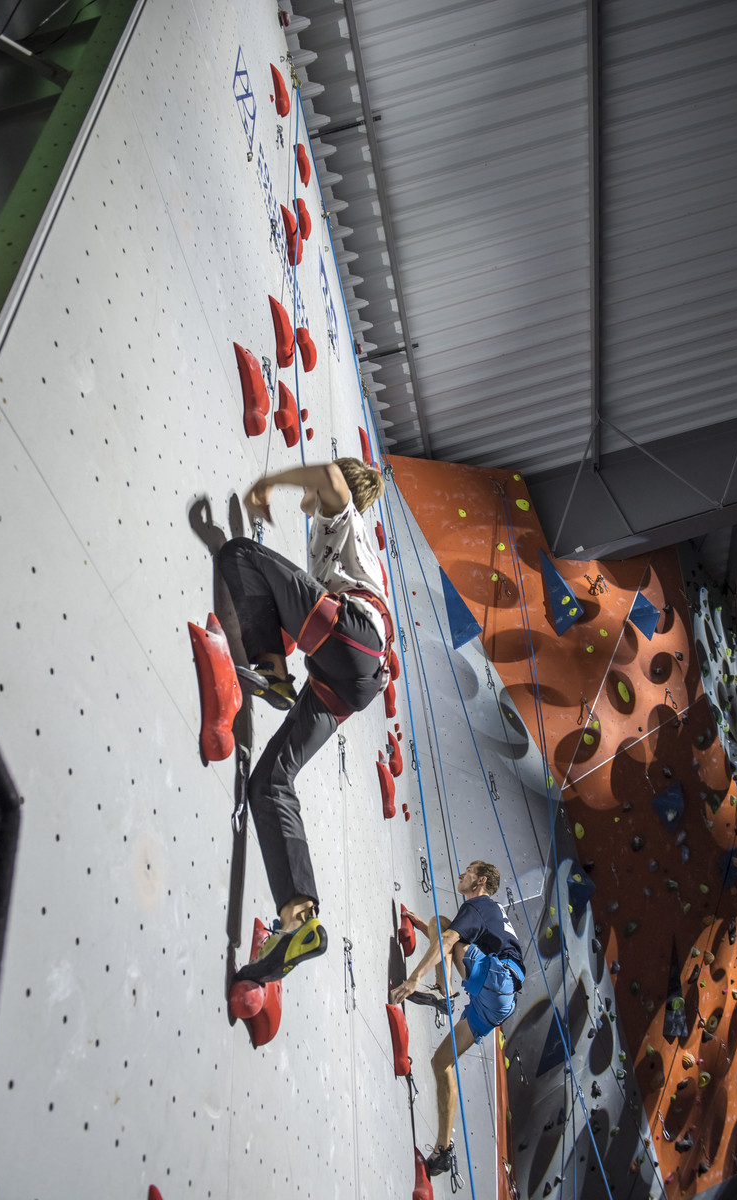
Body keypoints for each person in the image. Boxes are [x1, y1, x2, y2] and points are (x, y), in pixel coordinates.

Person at [216, 459, 392, 984]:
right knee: (269, 782)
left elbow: (332, 480)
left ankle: (273, 671)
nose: (310, 495)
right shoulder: (347, 551)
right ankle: (299, 920)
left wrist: (267, 483)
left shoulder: (342, 522)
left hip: (354, 638)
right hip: (355, 678)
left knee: (239, 554)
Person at [390, 860, 525, 1178]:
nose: (461, 875)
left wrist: (414, 978)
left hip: (497, 980)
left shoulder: (479, 905)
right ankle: (443, 1151)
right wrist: (425, 929)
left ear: (480, 882)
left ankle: (443, 993)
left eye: (468, 872)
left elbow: (450, 941)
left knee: (444, 925)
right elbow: (453, 945)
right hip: (499, 1000)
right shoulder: (493, 913)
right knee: (441, 1062)